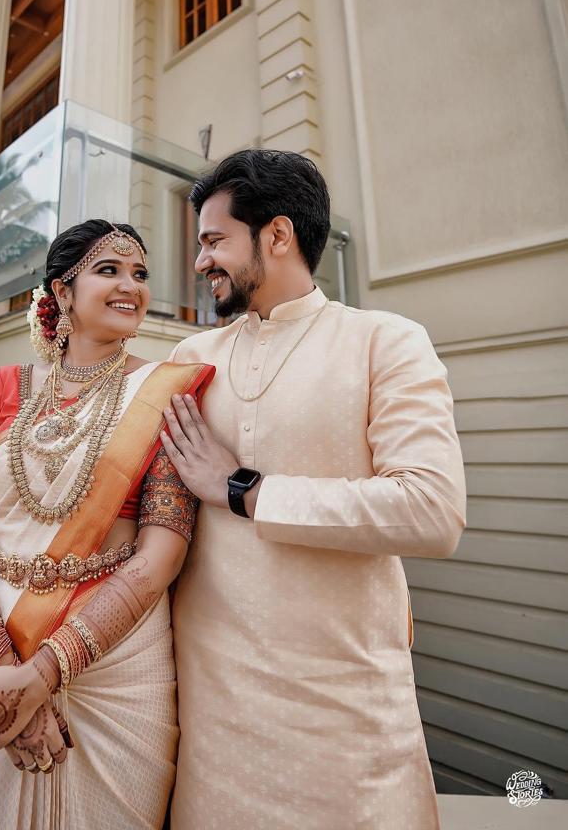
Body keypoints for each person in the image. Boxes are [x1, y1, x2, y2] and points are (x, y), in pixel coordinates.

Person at [161, 149, 467, 830]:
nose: (200, 262)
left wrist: (242, 489)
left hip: (344, 717)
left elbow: (431, 511)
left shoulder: (383, 342)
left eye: (214, 241)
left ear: (276, 235)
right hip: (212, 723)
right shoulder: (189, 361)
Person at [0, 219, 214, 830]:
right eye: (108, 270)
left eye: (139, 274)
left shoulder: (165, 391)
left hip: (115, 661)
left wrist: (42, 674)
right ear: (62, 291)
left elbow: (160, 555)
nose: (130, 286)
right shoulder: (7, 386)